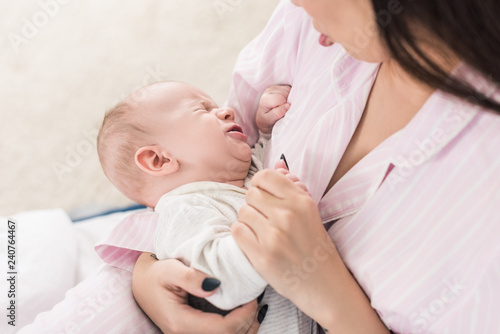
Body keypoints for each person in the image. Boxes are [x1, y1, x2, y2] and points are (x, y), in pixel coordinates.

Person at [19, 0, 500, 333]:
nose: (226, 111)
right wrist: (148, 276)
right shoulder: (315, 25)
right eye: (203, 110)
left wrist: (324, 287)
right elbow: (207, 185)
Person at [96, 80, 312, 333]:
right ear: (159, 159)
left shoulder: (243, 172)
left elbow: (271, 153)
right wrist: (272, 217)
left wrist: (267, 127)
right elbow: (222, 283)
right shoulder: (184, 211)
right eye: (202, 110)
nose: (227, 111)